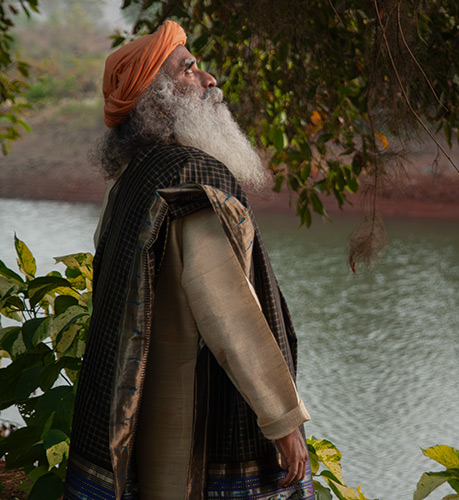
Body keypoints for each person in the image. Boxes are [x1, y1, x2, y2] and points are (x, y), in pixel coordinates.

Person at [65, 21, 313, 500]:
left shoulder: (129, 184)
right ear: (158, 101)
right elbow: (226, 310)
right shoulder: (193, 174)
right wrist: (282, 418)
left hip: (142, 430)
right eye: (190, 69)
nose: (210, 79)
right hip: (199, 433)